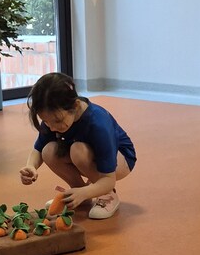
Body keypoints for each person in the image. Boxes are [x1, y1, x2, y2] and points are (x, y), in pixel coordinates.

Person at [20, 72, 136, 220]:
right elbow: (38, 148)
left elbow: (108, 179)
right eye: (46, 121)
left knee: (78, 150)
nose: (52, 127)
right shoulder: (54, 116)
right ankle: (79, 193)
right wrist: (31, 166)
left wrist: (90, 190)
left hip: (120, 160)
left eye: (57, 121)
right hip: (88, 155)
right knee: (48, 151)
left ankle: (108, 195)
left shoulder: (98, 123)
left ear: (75, 106)